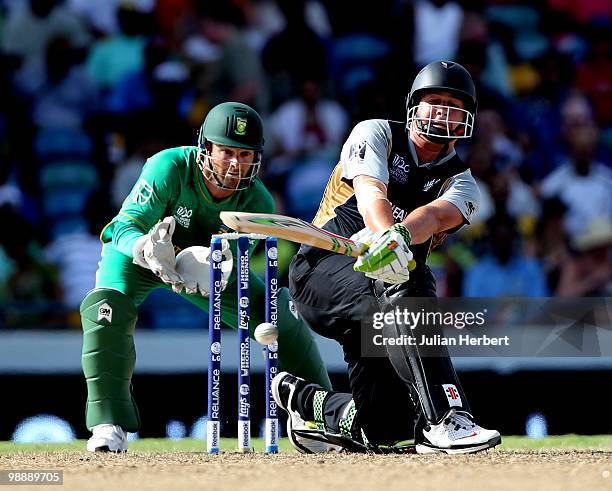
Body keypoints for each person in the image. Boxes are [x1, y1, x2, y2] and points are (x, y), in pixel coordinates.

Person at [271, 61, 501, 454]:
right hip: (320, 272)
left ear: (468, 119)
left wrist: (398, 237)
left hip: (382, 307)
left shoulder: (463, 183)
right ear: (413, 105)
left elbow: (434, 215)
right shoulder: (375, 132)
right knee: (411, 275)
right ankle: (445, 419)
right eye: (434, 101)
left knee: (383, 428)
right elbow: (369, 193)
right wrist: (384, 235)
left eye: (453, 104)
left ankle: (311, 405)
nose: (443, 111)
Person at [81, 102, 332, 452]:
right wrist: (144, 248)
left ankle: (322, 420)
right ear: (205, 149)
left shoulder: (258, 199)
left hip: (206, 269)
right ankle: (109, 425)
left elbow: (249, 258)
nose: (234, 164)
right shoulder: (168, 167)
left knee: (279, 315)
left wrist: (223, 261)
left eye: (244, 155)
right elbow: (124, 225)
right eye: (226, 152)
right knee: (105, 308)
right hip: (142, 257)